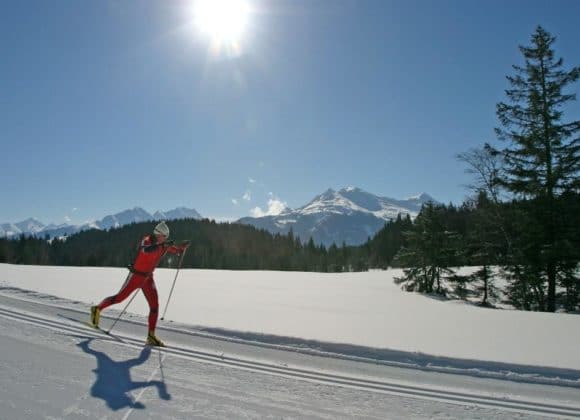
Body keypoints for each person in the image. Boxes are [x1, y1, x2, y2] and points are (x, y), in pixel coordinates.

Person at [90, 221, 189, 346]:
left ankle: (151, 336)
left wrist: (182, 248)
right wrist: (162, 245)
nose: (165, 239)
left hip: (148, 278)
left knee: (155, 305)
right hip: (135, 276)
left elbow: (176, 251)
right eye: (164, 236)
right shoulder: (147, 240)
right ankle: (97, 309)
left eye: (166, 237)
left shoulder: (163, 244)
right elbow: (145, 250)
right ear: (158, 235)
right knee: (119, 298)